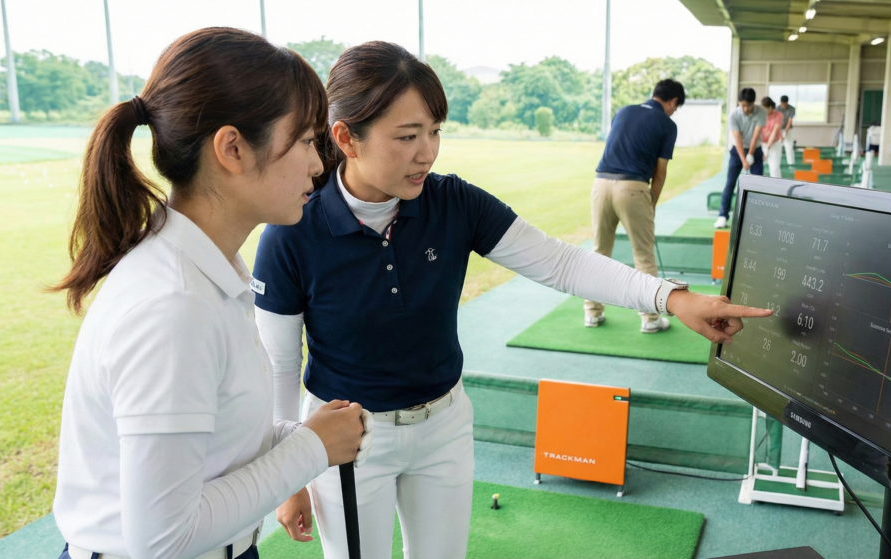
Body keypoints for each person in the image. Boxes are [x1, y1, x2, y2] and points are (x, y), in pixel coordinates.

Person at [253, 41, 772, 559]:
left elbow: (562, 263)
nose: (427, 152)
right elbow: (280, 363)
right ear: (347, 138)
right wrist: (289, 470)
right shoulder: (293, 230)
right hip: (346, 440)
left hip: (443, 429)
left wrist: (672, 298)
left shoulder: (453, 202)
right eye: (408, 136)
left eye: (435, 131)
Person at [49, 28, 369, 559]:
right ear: (233, 149)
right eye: (305, 141)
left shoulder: (204, 272)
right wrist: (313, 447)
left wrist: (300, 434)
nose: (319, 164)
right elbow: (163, 538)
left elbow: (215, 441)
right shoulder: (173, 306)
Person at [586, 79, 685, 333]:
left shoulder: (623, 111)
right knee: (643, 256)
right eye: (676, 108)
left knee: (599, 252)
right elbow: (660, 173)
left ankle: (592, 313)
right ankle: (650, 319)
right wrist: (651, 203)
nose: (673, 112)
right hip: (632, 188)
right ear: (673, 101)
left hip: (600, 185)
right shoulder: (667, 124)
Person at [716, 87, 766, 229]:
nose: (745, 109)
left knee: (758, 184)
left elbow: (756, 135)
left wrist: (750, 154)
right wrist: (744, 160)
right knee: (730, 183)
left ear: (753, 103)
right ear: (739, 103)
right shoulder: (734, 115)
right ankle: (722, 216)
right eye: (742, 105)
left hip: (755, 150)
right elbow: (737, 138)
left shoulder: (761, 112)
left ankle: (757, 217)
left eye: (748, 105)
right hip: (737, 151)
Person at [760, 97, 785, 179]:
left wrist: (766, 150)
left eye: (765, 109)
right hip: (761, 144)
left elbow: (774, 133)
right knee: (759, 167)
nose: (764, 111)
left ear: (770, 107)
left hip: (775, 144)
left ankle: (777, 186)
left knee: (774, 168)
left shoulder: (779, 115)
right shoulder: (760, 115)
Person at [778, 95, 796, 165]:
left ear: (787, 103)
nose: (784, 106)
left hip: (788, 130)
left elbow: (789, 121)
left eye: (785, 104)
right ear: (780, 103)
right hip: (778, 129)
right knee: (777, 147)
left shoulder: (792, 109)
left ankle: (791, 164)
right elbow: (777, 122)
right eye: (782, 104)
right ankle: (778, 163)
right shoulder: (777, 108)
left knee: (789, 147)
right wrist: (780, 134)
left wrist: (784, 134)